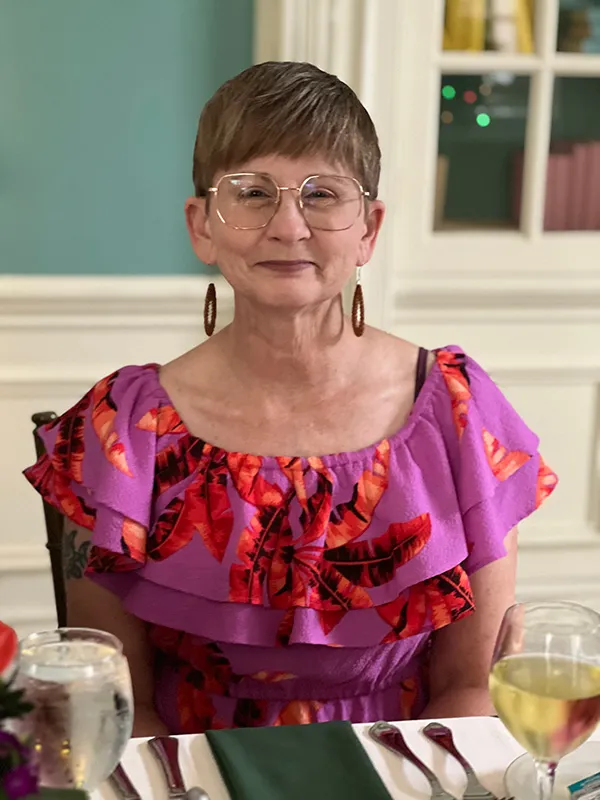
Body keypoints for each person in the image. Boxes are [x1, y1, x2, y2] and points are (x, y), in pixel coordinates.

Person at [24, 61, 558, 736]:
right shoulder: (120, 430)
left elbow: (470, 686)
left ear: (369, 227)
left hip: (404, 775)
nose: (287, 225)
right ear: (202, 226)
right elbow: (118, 708)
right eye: (251, 192)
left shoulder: (458, 412)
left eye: (322, 194)